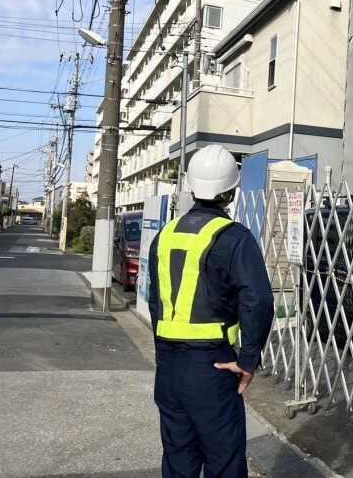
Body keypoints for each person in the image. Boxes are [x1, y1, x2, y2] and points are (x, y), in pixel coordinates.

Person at [148, 145, 274, 478]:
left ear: (190, 184)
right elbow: (257, 300)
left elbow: (154, 301)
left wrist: (164, 352)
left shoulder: (164, 236)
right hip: (213, 367)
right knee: (224, 462)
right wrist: (248, 359)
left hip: (169, 367)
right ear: (231, 191)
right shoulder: (234, 238)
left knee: (178, 460)